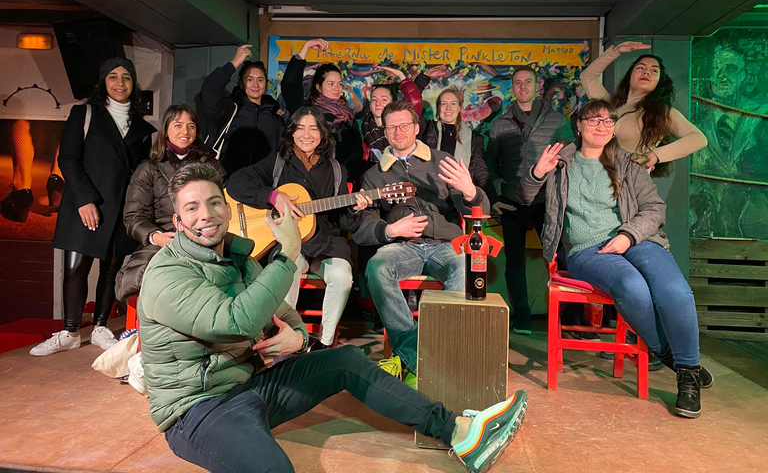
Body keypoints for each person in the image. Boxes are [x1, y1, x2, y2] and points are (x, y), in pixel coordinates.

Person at [138, 162, 527, 473]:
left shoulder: (237, 255)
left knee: (347, 360)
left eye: (213, 202)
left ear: (225, 207)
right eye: (192, 207)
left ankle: (459, 432)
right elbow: (234, 321)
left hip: (251, 384)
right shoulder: (166, 273)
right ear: (177, 222)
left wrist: (297, 338)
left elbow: (285, 313)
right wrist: (288, 252)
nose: (206, 214)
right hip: (198, 409)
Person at [518, 99, 714, 418]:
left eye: (608, 121)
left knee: (674, 291)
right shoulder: (559, 161)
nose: (601, 126)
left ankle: (687, 373)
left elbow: (654, 209)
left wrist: (627, 236)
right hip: (585, 250)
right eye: (593, 120)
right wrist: (537, 172)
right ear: (578, 125)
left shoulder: (627, 163)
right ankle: (672, 356)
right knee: (632, 287)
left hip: (635, 238)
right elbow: (525, 197)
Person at [353, 100, 490, 376]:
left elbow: (481, 212)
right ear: (385, 131)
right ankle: (425, 355)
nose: (398, 132)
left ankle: (411, 357)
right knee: (377, 267)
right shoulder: (373, 175)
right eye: (392, 127)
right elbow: (362, 228)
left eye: (405, 125)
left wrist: (469, 191)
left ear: (416, 128)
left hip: (447, 245)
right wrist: (390, 230)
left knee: (467, 266)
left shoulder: (442, 162)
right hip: (403, 248)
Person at [31, 57, 155, 356]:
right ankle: (70, 331)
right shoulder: (84, 113)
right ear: (103, 83)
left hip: (120, 207)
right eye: (113, 77)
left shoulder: (143, 127)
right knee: (75, 268)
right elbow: (68, 159)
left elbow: (142, 172)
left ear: (133, 84)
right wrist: (85, 199)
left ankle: (100, 327)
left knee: (111, 270)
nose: (120, 83)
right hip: (84, 205)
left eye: (126, 77)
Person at [227, 106, 371, 349]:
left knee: (342, 276)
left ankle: (323, 345)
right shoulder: (278, 162)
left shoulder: (337, 170)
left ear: (323, 134)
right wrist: (273, 197)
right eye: (300, 128)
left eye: (314, 128)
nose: (307, 134)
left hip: (325, 242)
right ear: (292, 132)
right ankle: (288, 338)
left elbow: (344, 222)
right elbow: (236, 183)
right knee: (286, 271)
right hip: (288, 241)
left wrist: (356, 209)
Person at [485, 66, 573, 334]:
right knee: (514, 261)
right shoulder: (499, 123)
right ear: (512, 87)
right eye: (517, 83)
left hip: (547, 202)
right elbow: (489, 161)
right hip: (512, 201)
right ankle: (522, 316)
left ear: (538, 86)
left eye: (527, 82)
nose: (522, 87)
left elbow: (571, 152)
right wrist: (497, 188)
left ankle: (569, 318)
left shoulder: (556, 120)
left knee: (560, 257)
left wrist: (556, 170)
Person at [115, 104, 225, 301]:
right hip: (167, 236)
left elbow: (225, 203)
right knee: (149, 274)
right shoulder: (148, 169)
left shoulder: (211, 164)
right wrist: (156, 237)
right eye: (178, 125)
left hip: (205, 235)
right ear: (166, 129)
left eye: (191, 126)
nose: (185, 131)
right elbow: (134, 217)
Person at [579, 41, 707, 173]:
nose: (646, 72)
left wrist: (656, 155)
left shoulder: (661, 113)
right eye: (640, 68)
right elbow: (587, 77)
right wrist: (616, 51)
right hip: (596, 177)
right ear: (630, 76)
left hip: (628, 184)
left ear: (659, 81)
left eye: (654, 71)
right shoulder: (611, 105)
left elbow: (698, 138)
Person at [280, 38, 364, 182]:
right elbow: (290, 84)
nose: (336, 88)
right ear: (318, 87)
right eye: (330, 84)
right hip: (306, 180)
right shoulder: (307, 112)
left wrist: (340, 173)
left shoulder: (347, 116)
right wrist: (306, 47)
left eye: (339, 84)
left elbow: (356, 152)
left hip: (339, 182)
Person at [200, 44, 284, 175]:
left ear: (266, 84)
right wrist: (235, 62)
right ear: (241, 82)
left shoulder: (274, 114)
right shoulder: (229, 108)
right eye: (249, 79)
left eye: (260, 80)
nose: (255, 85)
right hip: (227, 181)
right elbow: (209, 90)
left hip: (262, 184)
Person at [418, 87, 489, 188]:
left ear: (460, 108)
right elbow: (411, 110)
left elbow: (480, 171)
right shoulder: (427, 128)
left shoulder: (475, 139)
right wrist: (416, 86)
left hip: (459, 194)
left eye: (453, 103)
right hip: (430, 190)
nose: (448, 108)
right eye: (443, 104)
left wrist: (490, 199)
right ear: (438, 108)